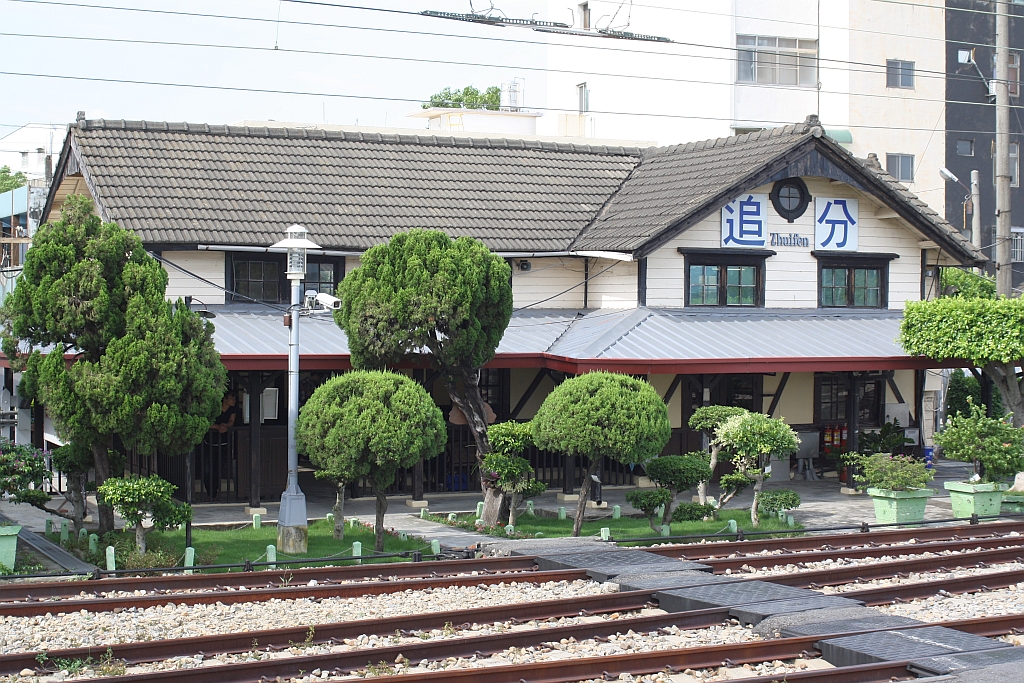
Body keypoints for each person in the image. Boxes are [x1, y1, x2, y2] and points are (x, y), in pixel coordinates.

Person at [202, 391, 239, 499]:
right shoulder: (215, 408)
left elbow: (231, 421)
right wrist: (217, 427)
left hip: (223, 442)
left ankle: (214, 492)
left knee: (218, 468)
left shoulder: (232, 409)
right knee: (207, 469)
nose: (234, 401)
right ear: (225, 399)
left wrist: (225, 425)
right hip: (209, 442)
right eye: (232, 398)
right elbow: (207, 422)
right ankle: (209, 491)